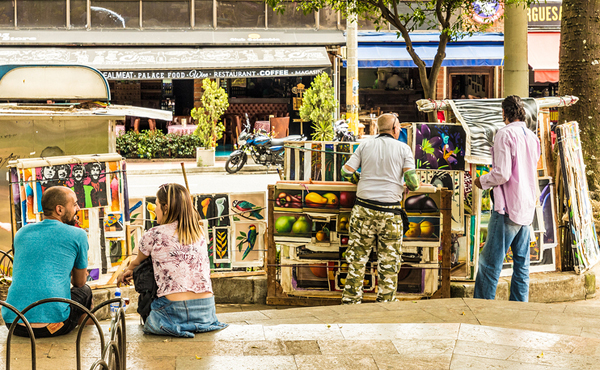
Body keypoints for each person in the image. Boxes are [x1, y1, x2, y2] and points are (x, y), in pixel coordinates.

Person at [117, 183, 227, 337]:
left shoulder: (154, 234)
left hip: (171, 313)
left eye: (156, 204)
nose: (155, 209)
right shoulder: (199, 232)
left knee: (145, 265)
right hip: (206, 312)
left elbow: (136, 263)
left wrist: (125, 272)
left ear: (166, 207)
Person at [340, 113, 421, 304]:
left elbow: (346, 171)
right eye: (399, 126)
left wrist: (358, 180)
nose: (400, 129)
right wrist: (409, 185)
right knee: (389, 264)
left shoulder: (365, 145)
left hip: (363, 211)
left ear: (378, 129)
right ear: (394, 128)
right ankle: (385, 303)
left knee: (357, 262)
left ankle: (351, 303)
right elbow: (413, 182)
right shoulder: (403, 149)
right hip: (390, 215)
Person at [473, 95, 541, 302]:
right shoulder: (532, 137)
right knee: (522, 265)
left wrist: (481, 180)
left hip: (508, 208)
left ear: (504, 113)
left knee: (490, 263)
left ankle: (482, 308)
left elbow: (502, 174)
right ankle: (520, 308)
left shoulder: (504, 134)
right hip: (527, 207)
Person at [1, 187, 92, 338]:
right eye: (74, 204)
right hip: (53, 326)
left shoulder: (22, 232)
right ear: (60, 209)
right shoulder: (78, 234)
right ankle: (86, 342)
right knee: (86, 292)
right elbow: (80, 283)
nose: (78, 208)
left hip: (14, 323)